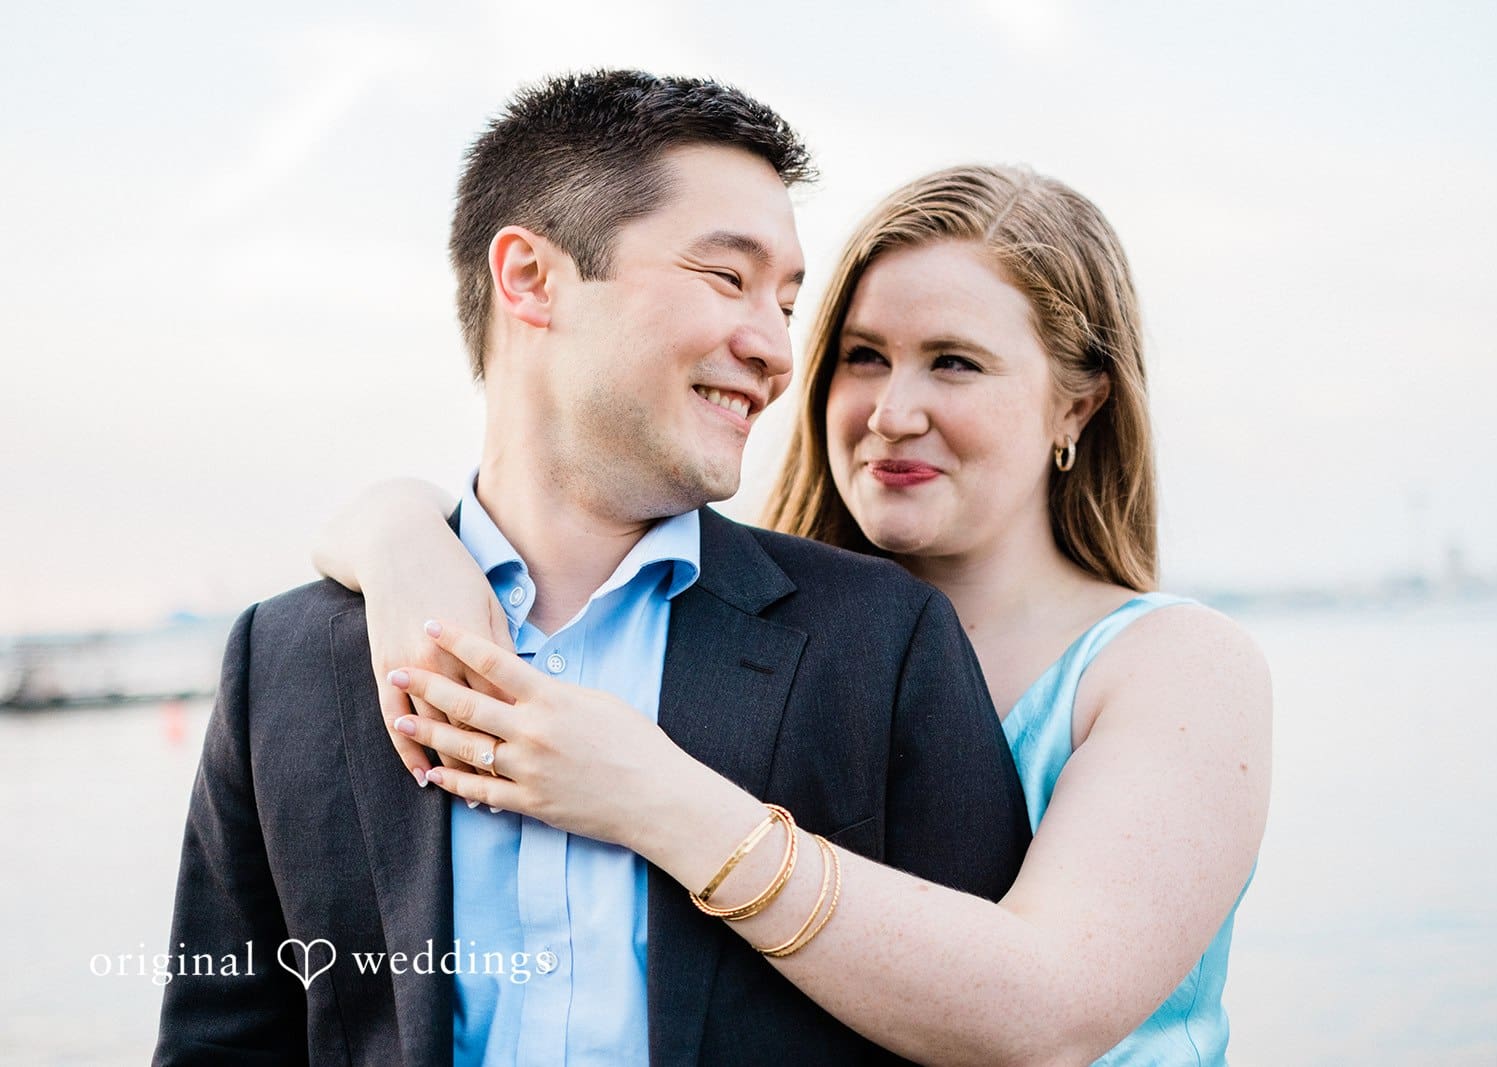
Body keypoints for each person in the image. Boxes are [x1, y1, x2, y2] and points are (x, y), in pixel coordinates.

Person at [155, 72, 1032, 1067]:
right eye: (726, 276)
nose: (776, 347)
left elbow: (994, 1027)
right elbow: (221, 1037)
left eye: (786, 301)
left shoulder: (880, 637)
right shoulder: (285, 659)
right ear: (530, 276)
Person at [324, 164, 1273, 1065]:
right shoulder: (761, 629)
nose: (894, 411)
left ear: (1078, 405)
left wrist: (652, 796)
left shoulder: (1173, 665)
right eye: (864, 358)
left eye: (955, 363)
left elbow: (1048, 1013)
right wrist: (398, 532)